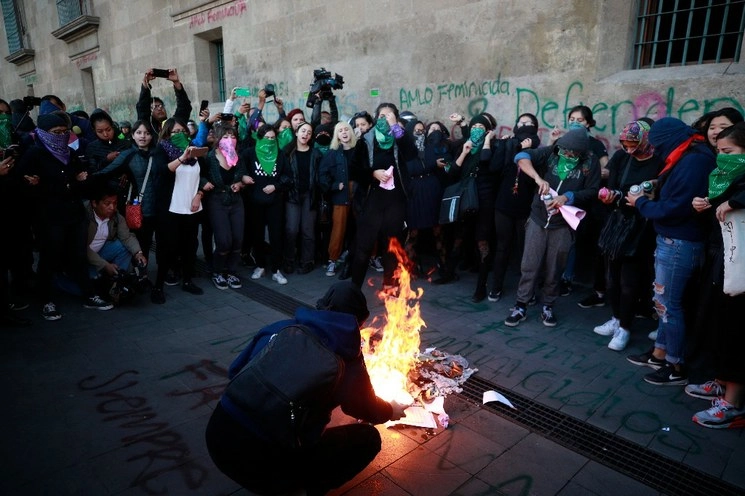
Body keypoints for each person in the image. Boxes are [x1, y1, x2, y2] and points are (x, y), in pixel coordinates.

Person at [205, 281, 408, 495]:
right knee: (368, 438)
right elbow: (368, 410)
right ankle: (302, 488)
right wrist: (390, 410)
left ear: (320, 306)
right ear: (359, 322)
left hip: (217, 438)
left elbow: (235, 370)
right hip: (266, 465)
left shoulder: (280, 328)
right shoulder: (348, 361)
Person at [625, 117, 716, 386]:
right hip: (673, 239)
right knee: (663, 302)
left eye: (657, 145)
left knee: (669, 305)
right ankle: (659, 353)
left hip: (679, 241)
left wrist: (641, 203)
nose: (656, 151)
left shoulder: (694, 160)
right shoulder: (688, 154)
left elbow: (678, 206)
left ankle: (675, 365)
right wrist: (655, 187)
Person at [16, 112, 114, 320]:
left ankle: (89, 295)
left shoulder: (69, 152)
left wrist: (76, 181)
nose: (60, 136)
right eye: (55, 132)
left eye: (64, 132)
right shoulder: (34, 154)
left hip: (74, 215)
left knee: (78, 256)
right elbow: (25, 188)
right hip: (49, 218)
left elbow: (84, 183)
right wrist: (65, 183)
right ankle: (46, 300)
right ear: (43, 133)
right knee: (50, 259)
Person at [503, 128, 600, 327]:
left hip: (563, 224)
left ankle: (548, 306)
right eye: (563, 150)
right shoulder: (552, 152)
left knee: (555, 268)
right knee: (529, 264)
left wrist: (568, 197)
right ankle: (521, 305)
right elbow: (521, 156)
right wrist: (538, 179)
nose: (566, 154)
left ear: (580, 152)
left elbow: (593, 191)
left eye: (571, 153)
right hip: (538, 218)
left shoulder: (591, 162)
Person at [686, 123, 745, 428]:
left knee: (738, 331)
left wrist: (733, 202)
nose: (722, 158)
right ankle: (721, 381)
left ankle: (733, 403)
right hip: (725, 263)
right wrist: (708, 204)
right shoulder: (725, 180)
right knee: (721, 324)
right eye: (719, 152)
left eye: (729, 152)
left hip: (741, 272)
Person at [591, 121, 661, 351]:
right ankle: (616, 317)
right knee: (612, 278)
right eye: (625, 143)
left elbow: (657, 195)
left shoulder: (660, 162)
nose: (629, 148)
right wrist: (611, 196)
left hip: (641, 227)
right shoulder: (622, 158)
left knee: (629, 282)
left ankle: (625, 327)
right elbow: (613, 186)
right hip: (617, 221)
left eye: (633, 143)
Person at [348, 103, 415, 289]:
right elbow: (353, 170)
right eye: (382, 115)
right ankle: (354, 289)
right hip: (372, 201)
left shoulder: (400, 137)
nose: (385, 118)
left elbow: (411, 154)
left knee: (392, 247)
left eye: (390, 115)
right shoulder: (366, 140)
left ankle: (390, 287)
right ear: (376, 118)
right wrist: (372, 173)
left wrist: (396, 129)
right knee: (364, 247)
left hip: (395, 202)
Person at [150, 117, 206, 303]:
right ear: (167, 133)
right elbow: (162, 171)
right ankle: (158, 285)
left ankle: (188, 280)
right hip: (170, 208)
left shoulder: (194, 150)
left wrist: (199, 195)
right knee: (167, 248)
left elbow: (202, 176)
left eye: (183, 131)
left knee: (190, 246)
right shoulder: (162, 149)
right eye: (175, 132)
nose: (180, 134)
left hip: (192, 207)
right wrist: (183, 158)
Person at [486, 113, 541, 302]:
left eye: (530, 123)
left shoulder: (540, 152)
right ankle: (496, 287)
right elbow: (494, 168)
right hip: (503, 205)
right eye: (521, 122)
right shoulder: (507, 144)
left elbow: (540, 177)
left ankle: (527, 292)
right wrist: (506, 146)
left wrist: (529, 152)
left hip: (526, 209)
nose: (525, 126)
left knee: (525, 251)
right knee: (502, 247)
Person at [201, 124, 252, 290]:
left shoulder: (238, 157)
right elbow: (199, 174)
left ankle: (231, 272)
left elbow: (241, 175)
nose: (230, 140)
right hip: (216, 200)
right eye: (225, 137)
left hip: (236, 201)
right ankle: (217, 271)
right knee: (223, 241)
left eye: (232, 136)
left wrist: (240, 183)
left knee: (238, 239)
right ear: (217, 139)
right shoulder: (210, 157)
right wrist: (204, 183)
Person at [242, 123, 290, 285]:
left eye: (273, 138)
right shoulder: (249, 154)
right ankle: (260, 265)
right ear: (259, 138)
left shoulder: (281, 155)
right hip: (255, 201)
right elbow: (241, 170)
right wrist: (243, 178)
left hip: (275, 202)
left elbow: (288, 177)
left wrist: (276, 186)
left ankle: (276, 269)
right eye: (266, 138)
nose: (270, 141)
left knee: (276, 235)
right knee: (257, 234)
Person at [86, 183, 148, 302]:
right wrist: (104, 265)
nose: (112, 207)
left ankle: (117, 283)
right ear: (94, 203)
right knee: (87, 288)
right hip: (80, 257)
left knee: (123, 247)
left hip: (99, 253)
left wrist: (138, 253)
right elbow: (81, 248)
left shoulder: (116, 217)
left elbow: (127, 237)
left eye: (114, 203)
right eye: (107, 203)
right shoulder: (84, 216)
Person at [320, 120, 358, 277]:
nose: (344, 132)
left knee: (361, 227)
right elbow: (322, 175)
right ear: (336, 135)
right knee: (338, 229)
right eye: (340, 130)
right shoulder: (332, 152)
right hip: (341, 194)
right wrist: (335, 186)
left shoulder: (359, 149)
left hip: (358, 192)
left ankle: (366, 257)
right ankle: (332, 260)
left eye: (346, 129)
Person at [282, 121, 320, 274]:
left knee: (308, 231)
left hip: (310, 196)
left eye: (309, 132)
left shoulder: (316, 154)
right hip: (293, 196)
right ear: (296, 133)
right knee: (291, 230)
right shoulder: (287, 152)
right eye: (303, 131)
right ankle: (289, 259)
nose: (306, 134)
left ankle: (307, 261)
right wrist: (288, 183)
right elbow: (282, 173)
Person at [135, 68, 192, 134]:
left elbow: (184, 107)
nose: (159, 108)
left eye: (161, 106)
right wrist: (145, 84)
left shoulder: (174, 124)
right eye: (155, 107)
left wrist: (176, 83)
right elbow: (142, 107)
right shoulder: (148, 127)